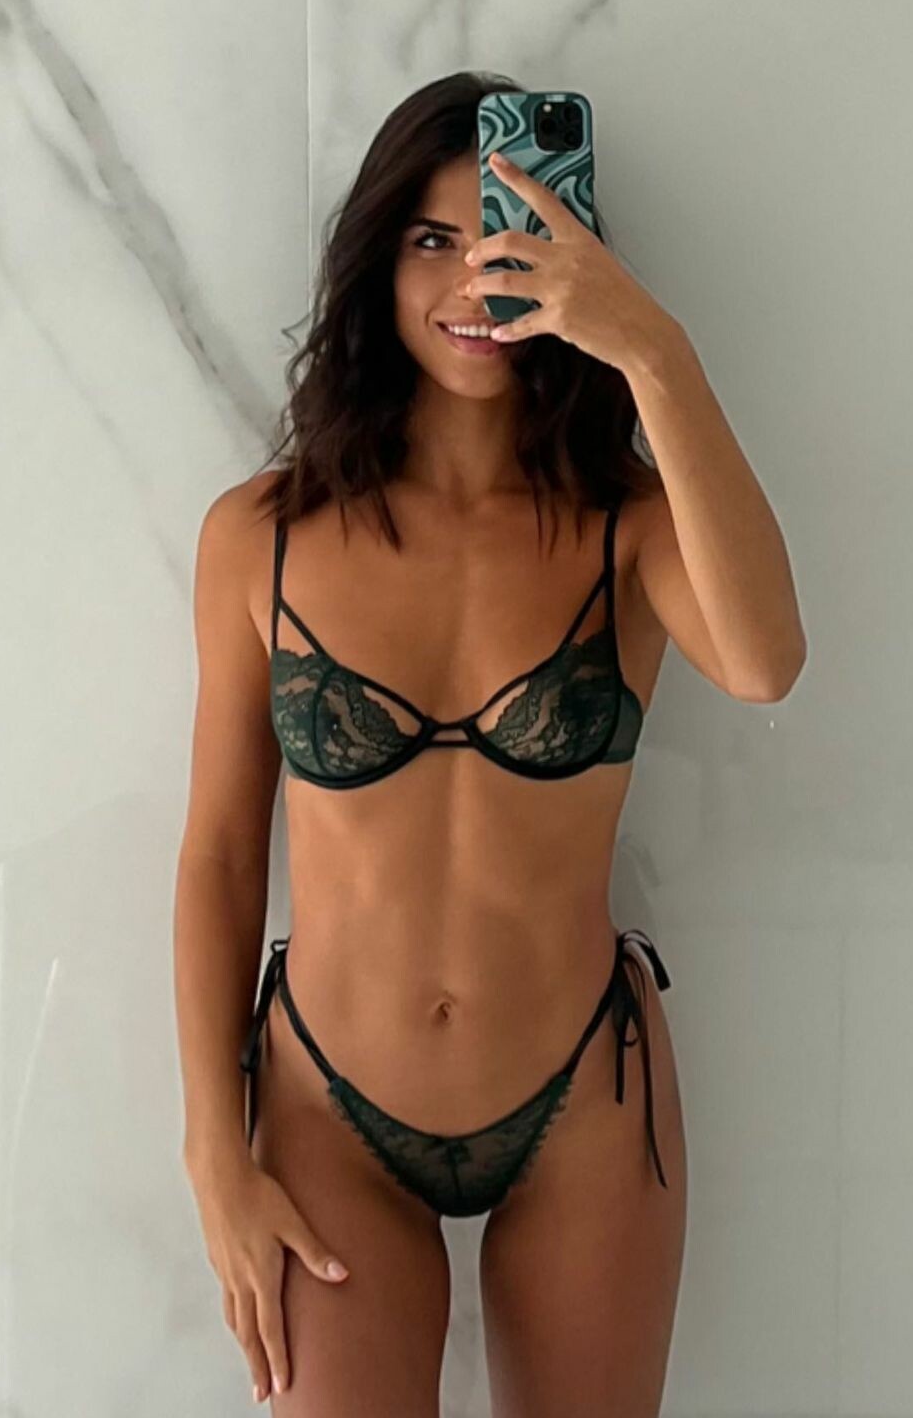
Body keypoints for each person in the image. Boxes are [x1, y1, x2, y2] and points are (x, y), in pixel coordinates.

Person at [174, 70, 806, 1416]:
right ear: (377, 263)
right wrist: (213, 1155)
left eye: (514, 232)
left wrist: (654, 350)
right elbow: (222, 854)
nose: (475, 276)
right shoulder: (262, 537)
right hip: (327, 1110)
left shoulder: (632, 527)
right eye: (433, 238)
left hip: (584, 1103)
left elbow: (765, 662)